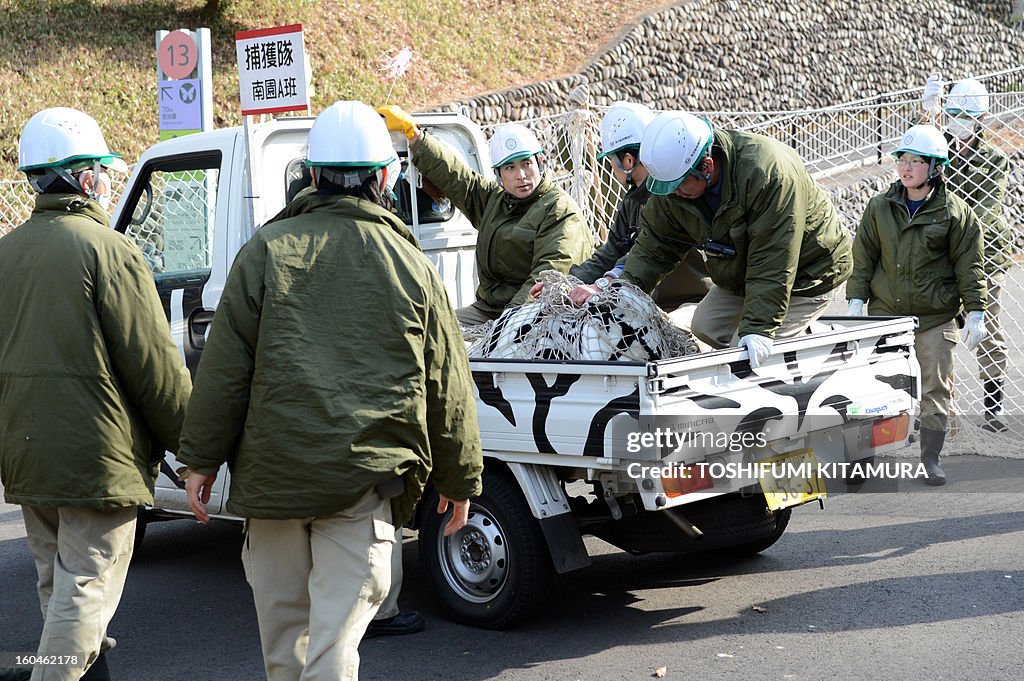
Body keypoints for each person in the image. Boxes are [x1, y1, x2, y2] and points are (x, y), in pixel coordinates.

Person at [177, 100, 484, 681]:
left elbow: (224, 368)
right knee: (335, 644)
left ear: (312, 176)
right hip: (360, 483)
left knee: (284, 640)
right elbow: (447, 382)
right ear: (385, 177)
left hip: (272, 482)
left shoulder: (264, 252)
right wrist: (459, 480)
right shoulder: (409, 263)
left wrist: (200, 460)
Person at [0, 107, 192, 680]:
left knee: (57, 589)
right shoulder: (109, 250)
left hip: (27, 452)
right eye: (104, 171)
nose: (109, 181)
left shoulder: (5, 254)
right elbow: (153, 367)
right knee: (83, 593)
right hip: (96, 459)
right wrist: (194, 447)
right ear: (86, 180)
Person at [568, 111, 852, 368]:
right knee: (704, 328)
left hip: (808, 272)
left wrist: (758, 329)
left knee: (744, 355)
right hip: (739, 270)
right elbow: (654, 247)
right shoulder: (674, 183)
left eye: (679, 187)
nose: (674, 194)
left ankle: (809, 344)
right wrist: (623, 289)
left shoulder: (767, 174)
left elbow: (774, 259)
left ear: (706, 165)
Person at [847, 124, 987, 485]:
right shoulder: (879, 208)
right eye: (901, 160)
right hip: (885, 317)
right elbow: (863, 258)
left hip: (934, 318)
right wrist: (855, 300)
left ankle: (930, 458)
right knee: (872, 390)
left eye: (915, 161)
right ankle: (864, 457)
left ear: (936, 167)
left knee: (935, 390)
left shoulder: (955, 213)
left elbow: (969, 266)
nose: (905, 167)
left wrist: (975, 311)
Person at [377, 105, 594, 327]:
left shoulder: (560, 210)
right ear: (499, 174)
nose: (521, 175)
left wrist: (508, 325)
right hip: (489, 309)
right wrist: (414, 136)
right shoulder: (496, 200)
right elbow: (457, 178)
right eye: (509, 168)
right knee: (433, 328)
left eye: (526, 164)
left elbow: (547, 278)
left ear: (539, 162)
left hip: (537, 316)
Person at [531, 101, 710, 310]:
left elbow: (644, 252)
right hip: (647, 301)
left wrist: (602, 284)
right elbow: (611, 252)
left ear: (627, 161)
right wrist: (570, 282)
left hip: (688, 304)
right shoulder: (633, 200)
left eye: (610, 160)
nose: (610, 167)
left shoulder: (669, 198)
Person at [942, 79, 1012, 433]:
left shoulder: (995, 159)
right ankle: (945, 407)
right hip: (943, 256)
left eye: (967, 115)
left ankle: (994, 408)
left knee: (988, 331)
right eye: (953, 114)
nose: (960, 121)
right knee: (942, 332)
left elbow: (986, 207)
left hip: (987, 256)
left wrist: (949, 227)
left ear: (982, 118)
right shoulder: (938, 154)